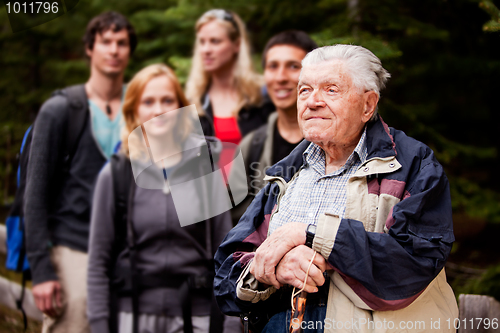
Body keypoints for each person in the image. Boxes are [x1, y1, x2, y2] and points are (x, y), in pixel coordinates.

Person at [214, 45, 458, 333]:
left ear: (368, 105)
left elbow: (415, 261)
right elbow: (227, 271)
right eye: (304, 90)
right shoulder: (286, 173)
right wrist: (272, 270)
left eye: (331, 90)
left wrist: (311, 234)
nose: (312, 101)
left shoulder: (412, 164)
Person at [87, 63, 233, 333]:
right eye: (148, 101)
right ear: (134, 110)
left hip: (197, 316)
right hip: (133, 314)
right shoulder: (117, 174)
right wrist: (99, 324)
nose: (158, 110)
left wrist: (231, 324)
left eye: (167, 100)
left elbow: (226, 254)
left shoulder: (204, 170)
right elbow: (98, 262)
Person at [24, 11, 136, 332]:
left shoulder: (141, 106)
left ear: (129, 51)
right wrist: (42, 271)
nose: (113, 50)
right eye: (105, 42)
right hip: (73, 247)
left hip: (128, 251)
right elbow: (35, 196)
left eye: (122, 43)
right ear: (90, 48)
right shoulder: (61, 110)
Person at [229, 30, 317, 224]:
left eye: (293, 66)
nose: (280, 77)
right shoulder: (252, 145)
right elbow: (232, 218)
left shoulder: (336, 142)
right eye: (272, 66)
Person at [185, 9, 274, 171]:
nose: (206, 49)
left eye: (215, 41)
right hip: (209, 194)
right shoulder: (193, 100)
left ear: (237, 45)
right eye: (202, 42)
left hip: (256, 192)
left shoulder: (263, 95)